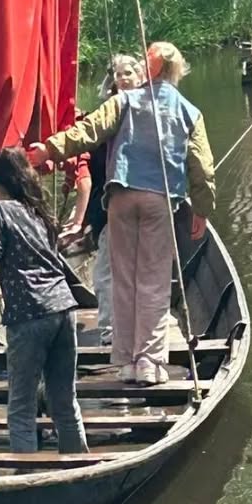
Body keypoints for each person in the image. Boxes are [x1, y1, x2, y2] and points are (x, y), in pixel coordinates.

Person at [28, 41, 215, 386]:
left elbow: (88, 131)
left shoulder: (123, 101)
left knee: (124, 280)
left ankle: (127, 360)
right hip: (159, 200)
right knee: (154, 283)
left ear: (152, 70)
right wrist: (201, 209)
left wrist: (48, 149)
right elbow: (201, 167)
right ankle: (149, 363)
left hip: (121, 198)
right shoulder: (189, 111)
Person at [0, 148, 88, 456]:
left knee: (21, 406)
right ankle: (78, 463)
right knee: (64, 401)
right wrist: (3, 290)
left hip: (29, 316)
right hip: (63, 307)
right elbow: (37, 264)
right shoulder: (38, 212)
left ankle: (25, 472)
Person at [88, 53, 145, 347]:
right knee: (110, 274)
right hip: (110, 208)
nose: (122, 80)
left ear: (141, 78)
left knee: (109, 274)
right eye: (117, 75)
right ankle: (120, 332)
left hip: (134, 207)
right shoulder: (102, 118)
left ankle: (115, 334)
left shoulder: (149, 117)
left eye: (128, 74)